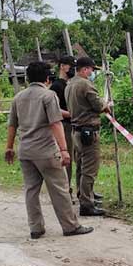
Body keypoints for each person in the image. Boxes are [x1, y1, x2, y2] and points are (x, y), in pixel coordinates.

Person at [4, 61, 94, 238]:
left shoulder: (18, 97)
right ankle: (70, 226)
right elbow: (55, 122)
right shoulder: (48, 95)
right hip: (45, 150)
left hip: (25, 151)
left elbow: (12, 125)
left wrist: (9, 147)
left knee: (31, 190)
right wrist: (64, 149)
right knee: (59, 188)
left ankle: (36, 228)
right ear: (47, 78)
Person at [66, 56, 111, 216]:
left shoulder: (70, 84)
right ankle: (86, 204)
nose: (92, 73)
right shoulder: (85, 85)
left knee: (80, 167)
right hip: (88, 132)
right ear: (85, 69)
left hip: (76, 130)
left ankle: (82, 195)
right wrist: (106, 105)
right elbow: (98, 106)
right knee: (89, 169)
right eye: (91, 70)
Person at [50, 55, 76, 194]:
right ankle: (66, 190)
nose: (72, 69)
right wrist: (72, 113)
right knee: (67, 160)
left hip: (75, 126)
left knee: (80, 160)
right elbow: (54, 109)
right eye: (70, 65)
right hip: (64, 126)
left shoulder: (70, 85)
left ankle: (82, 190)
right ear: (62, 66)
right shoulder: (56, 86)